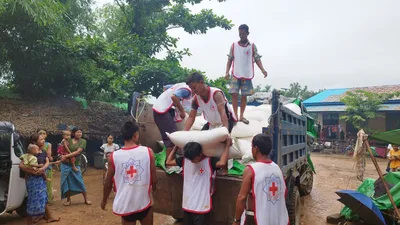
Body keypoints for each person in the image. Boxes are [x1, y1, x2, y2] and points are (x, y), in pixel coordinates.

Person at [101, 121, 157, 225]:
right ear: (135, 135)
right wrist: (153, 189)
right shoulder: (148, 152)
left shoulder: (114, 156)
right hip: (144, 202)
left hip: (126, 204)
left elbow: (108, 183)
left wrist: (104, 200)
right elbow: (154, 179)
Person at [166, 138, 231, 225]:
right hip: (188, 203)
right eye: (190, 159)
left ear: (200, 154)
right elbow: (168, 162)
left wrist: (227, 146)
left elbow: (222, 163)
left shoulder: (209, 160)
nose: (192, 161)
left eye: (194, 159)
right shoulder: (185, 160)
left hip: (202, 203)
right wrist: (175, 147)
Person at [232, 134, 288, 225]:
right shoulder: (277, 168)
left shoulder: (251, 170)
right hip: (276, 218)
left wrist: (236, 220)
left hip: (258, 219)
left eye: (252, 147)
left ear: (256, 149)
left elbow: (241, 198)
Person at [225, 24, 268, 125]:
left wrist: (263, 70)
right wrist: (227, 72)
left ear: (247, 33)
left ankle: (241, 116)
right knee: (234, 94)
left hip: (246, 73)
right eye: (240, 34)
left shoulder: (252, 46)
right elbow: (230, 59)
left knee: (244, 95)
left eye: (243, 34)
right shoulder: (234, 46)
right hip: (235, 73)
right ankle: (235, 115)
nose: (241, 35)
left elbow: (257, 58)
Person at [20, 134, 60, 224]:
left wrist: (42, 168)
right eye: (41, 139)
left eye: (43, 139)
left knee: (43, 197)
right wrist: (32, 171)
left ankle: (49, 217)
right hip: (33, 180)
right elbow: (21, 165)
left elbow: (47, 162)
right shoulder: (29, 154)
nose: (43, 141)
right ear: (34, 142)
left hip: (41, 178)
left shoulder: (43, 151)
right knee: (33, 200)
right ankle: (29, 222)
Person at [153, 83, 192, 157]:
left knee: (170, 135)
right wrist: (182, 111)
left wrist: (165, 99)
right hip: (162, 110)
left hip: (160, 109)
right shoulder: (187, 90)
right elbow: (174, 97)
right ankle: (169, 164)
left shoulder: (180, 85)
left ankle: (169, 160)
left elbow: (165, 88)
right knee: (171, 137)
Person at [59, 127, 92, 206]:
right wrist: (63, 156)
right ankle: (68, 199)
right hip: (66, 164)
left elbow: (78, 152)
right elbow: (63, 147)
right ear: (73, 133)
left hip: (76, 164)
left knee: (80, 181)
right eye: (77, 132)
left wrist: (66, 156)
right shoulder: (68, 140)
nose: (79, 134)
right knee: (66, 182)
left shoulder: (83, 141)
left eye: (80, 132)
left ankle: (86, 199)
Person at [37, 129, 54, 202]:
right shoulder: (35, 144)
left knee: (48, 184)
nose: (42, 135)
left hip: (47, 166)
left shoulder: (48, 144)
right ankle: (41, 199)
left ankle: (48, 199)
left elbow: (49, 155)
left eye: (44, 133)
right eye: (40, 133)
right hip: (37, 166)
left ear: (46, 135)